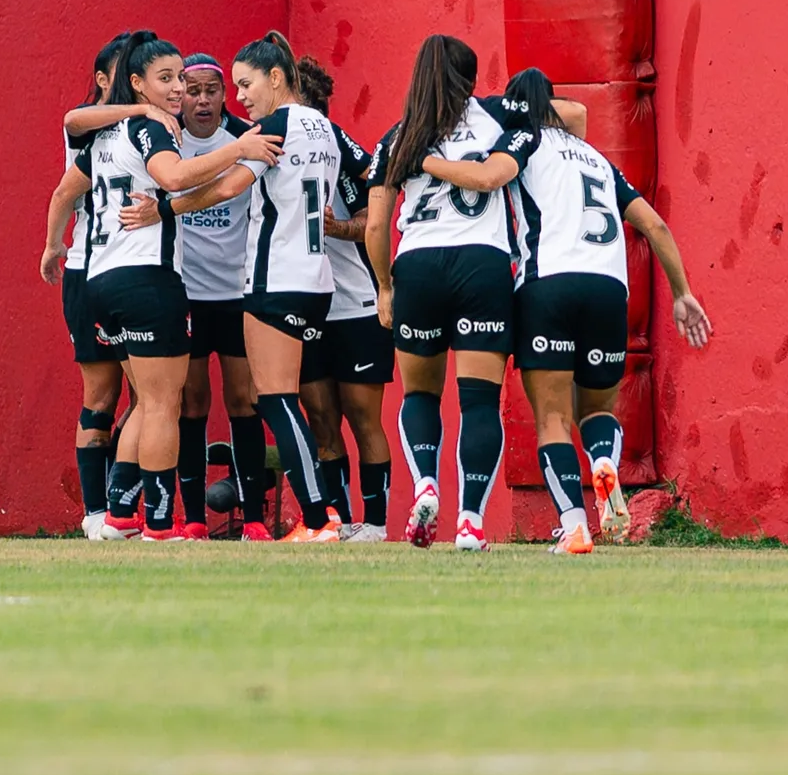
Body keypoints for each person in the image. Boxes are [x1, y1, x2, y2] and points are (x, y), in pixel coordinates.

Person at [423, 68, 711, 554]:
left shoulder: (521, 144)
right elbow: (655, 226)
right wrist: (683, 293)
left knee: (552, 419)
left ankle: (575, 525)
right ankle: (603, 462)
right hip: (608, 290)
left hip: (546, 286)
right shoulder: (599, 160)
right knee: (596, 409)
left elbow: (488, 178)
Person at [364, 35, 586, 551]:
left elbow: (377, 226)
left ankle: (424, 484)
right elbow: (573, 114)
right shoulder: (494, 114)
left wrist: (383, 286)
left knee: (419, 393)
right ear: (469, 79)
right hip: (483, 264)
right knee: (480, 403)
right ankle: (469, 521)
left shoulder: (398, 139)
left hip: (417, 264)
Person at [123, 31, 341, 543]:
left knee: (273, 400)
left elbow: (227, 186)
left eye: (243, 85)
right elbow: (368, 172)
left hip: (272, 279)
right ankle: (315, 515)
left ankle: (316, 518)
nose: (239, 96)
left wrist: (165, 208)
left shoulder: (270, 128)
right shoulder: (324, 127)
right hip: (314, 279)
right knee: (257, 400)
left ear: (275, 78)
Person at [75, 30, 280, 540]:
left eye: (181, 80)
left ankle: (120, 513)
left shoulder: (107, 131)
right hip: (150, 280)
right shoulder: (152, 130)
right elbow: (173, 177)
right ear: (138, 83)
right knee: (167, 405)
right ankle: (165, 522)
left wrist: (55, 247)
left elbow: (71, 136)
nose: (181, 91)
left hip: (103, 278)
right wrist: (242, 150)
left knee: (149, 401)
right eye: (168, 80)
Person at [168, 53, 270, 541]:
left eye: (212, 90)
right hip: (184, 294)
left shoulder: (244, 141)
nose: (202, 100)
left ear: (224, 95)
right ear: (179, 95)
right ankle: (191, 519)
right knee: (190, 404)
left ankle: (252, 519)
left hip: (235, 293)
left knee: (244, 402)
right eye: (193, 90)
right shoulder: (166, 144)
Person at [291, 55, 392, 543]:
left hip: (355, 306)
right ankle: (336, 519)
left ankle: (375, 524)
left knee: (362, 417)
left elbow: (374, 223)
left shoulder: (344, 155)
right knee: (321, 419)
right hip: (307, 304)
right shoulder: (270, 150)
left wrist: (339, 228)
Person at [40, 33, 131, 540]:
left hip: (138, 269)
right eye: (126, 74)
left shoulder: (149, 127)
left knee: (150, 393)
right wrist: (53, 246)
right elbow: (75, 122)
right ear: (104, 80)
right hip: (89, 267)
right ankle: (96, 511)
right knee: (101, 392)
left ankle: (124, 504)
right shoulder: (90, 125)